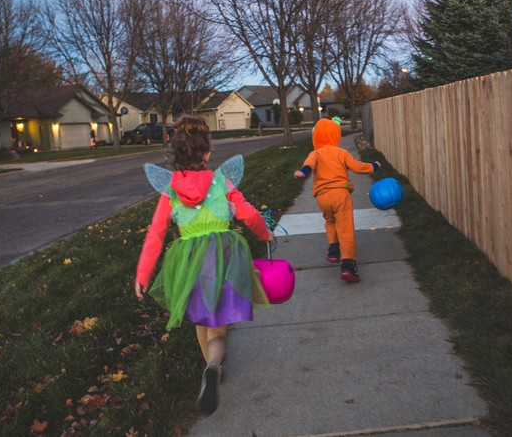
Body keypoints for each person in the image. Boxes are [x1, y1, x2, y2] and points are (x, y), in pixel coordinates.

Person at [134, 115, 274, 416]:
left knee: (201, 319)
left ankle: (209, 371)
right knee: (218, 330)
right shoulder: (222, 183)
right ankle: (214, 365)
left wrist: (143, 274)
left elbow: (156, 233)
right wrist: (265, 233)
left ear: (176, 157)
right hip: (223, 259)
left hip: (189, 264)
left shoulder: (170, 192)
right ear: (207, 153)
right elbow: (248, 214)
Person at [294, 118, 380, 282]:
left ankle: (334, 249)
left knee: (330, 220)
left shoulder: (316, 153)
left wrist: (303, 172)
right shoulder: (342, 153)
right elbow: (357, 167)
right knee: (345, 228)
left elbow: (309, 165)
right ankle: (348, 266)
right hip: (340, 194)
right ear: (336, 136)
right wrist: (374, 166)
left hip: (322, 197)